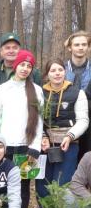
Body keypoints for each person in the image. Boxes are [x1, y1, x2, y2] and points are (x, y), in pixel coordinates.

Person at [0, 49, 44, 208]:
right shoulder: (2, 89)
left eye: (29, 66)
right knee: (2, 185)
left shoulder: (36, 90)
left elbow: (39, 121)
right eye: (22, 64)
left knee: (23, 187)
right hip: (5, 146)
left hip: (25, 147)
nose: (25, 68)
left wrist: (35, 147)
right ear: (15, 65)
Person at [36, 59, 88, 198]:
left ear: (65, 71)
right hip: (44, 146)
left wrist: (70, 136)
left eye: (60, 70)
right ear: (47, 74)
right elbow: (35, 119)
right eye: (53, 71)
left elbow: (83, 120)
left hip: (68, 145)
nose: (57, 73)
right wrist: (42, 137)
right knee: (43, 184)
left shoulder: (78, 93)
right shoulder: (40, 93)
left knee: (62, 183)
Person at [65, 31, 91, 159]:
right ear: (70, 47)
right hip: (66, 121)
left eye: (84, 44)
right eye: (77, 45)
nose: (80, 47)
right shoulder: (61, 70)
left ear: (88, 47)